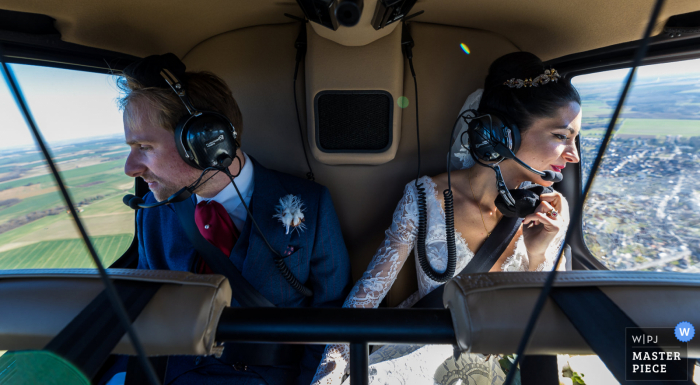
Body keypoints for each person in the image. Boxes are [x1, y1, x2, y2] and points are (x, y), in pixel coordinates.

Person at [310, 52, 582, 385]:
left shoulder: (550, 213)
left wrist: (538, 253)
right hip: (424, 359)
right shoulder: (424, 198)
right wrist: (328, 375)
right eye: (562, 136)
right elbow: (364, 300)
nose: (574, 154)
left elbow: (554, 324)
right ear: (504, 134)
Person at [109, 54, 352, 385]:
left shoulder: (312, 203)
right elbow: (148, 311)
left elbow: (332, 316)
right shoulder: (152, 214)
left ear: (206, 141)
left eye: (144, 147)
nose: (130, 168)